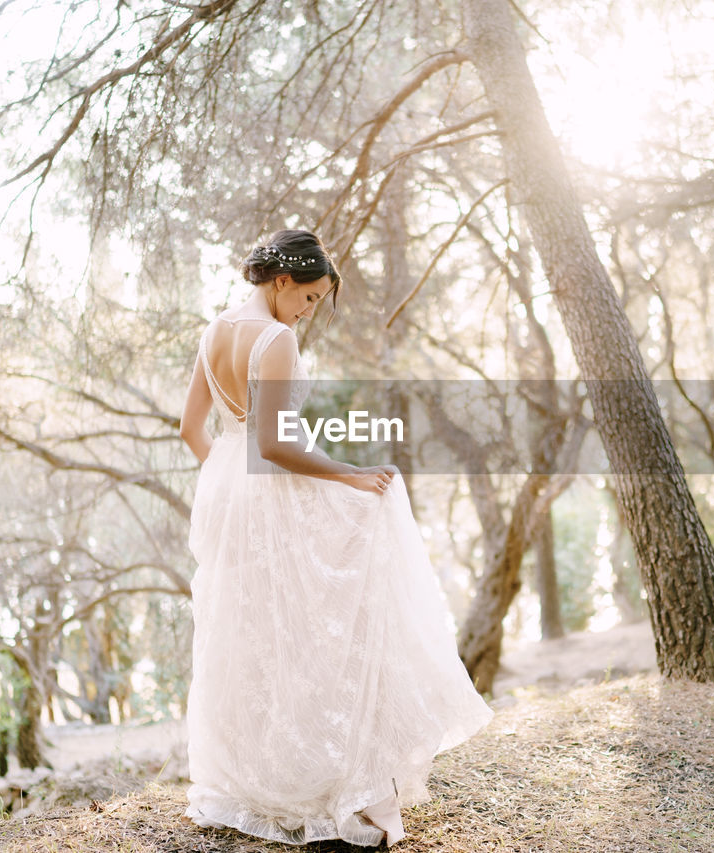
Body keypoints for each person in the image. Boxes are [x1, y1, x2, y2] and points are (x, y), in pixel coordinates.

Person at [178, 229, 494, 847]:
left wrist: (227, 489)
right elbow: (272, 446)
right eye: (310, 298)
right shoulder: (275, 338)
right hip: (266, 486)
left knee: (249, 635)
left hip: (225, 493)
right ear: (282, 282)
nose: (309, 310)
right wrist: (349, 474)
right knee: (319, 620)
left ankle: (257, 778)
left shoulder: (214, 331)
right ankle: (337, 776)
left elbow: (192, 429)